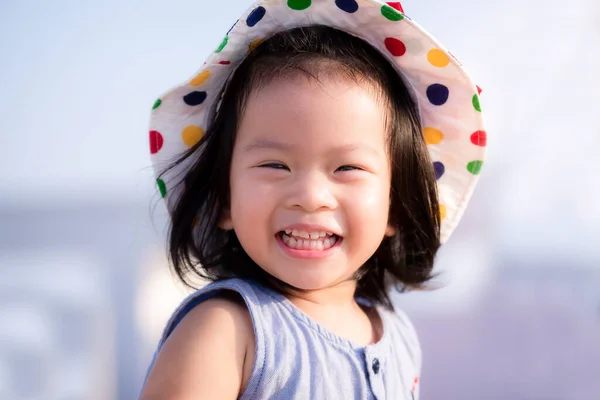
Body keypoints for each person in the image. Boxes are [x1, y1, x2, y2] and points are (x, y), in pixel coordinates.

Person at [140, 1, 486, 399]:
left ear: (396, 203)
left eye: (347, 169)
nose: (310, 197)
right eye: (275, 165)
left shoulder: (398, 336)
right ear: (223, 197)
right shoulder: (223, 331)